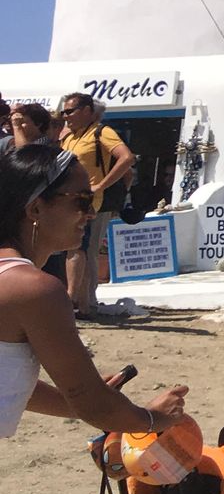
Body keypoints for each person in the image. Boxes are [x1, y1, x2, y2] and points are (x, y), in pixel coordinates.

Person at [0, 142, 190, 439]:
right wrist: (155, 419)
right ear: (35, 207)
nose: (91, 213)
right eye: (82, 201)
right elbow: (97, 407)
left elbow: (9, 386)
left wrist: (78, 394)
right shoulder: (34, 289)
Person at [58, 92, 135, 318]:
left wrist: (100, 185)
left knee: (80, 249)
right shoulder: (70, 137)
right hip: (68, 198)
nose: (65, 116)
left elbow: (126, 158)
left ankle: (80, 300)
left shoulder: (102, 132)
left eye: (70, 111)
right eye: (63, 112)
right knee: (80, 249)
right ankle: (83, 302)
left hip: (86, 200)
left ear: (87, 111)